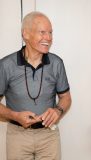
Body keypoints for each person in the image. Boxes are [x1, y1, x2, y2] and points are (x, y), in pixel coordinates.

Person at [0, 11, 71, 160]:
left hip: (48, 135)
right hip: (17, 136)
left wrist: (58, 111)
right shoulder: (6, 65)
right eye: (42, 32)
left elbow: (66, 97)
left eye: (50, 32)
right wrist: (15, 116)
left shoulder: (56, 63)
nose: (49, 38)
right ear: (25, 34)